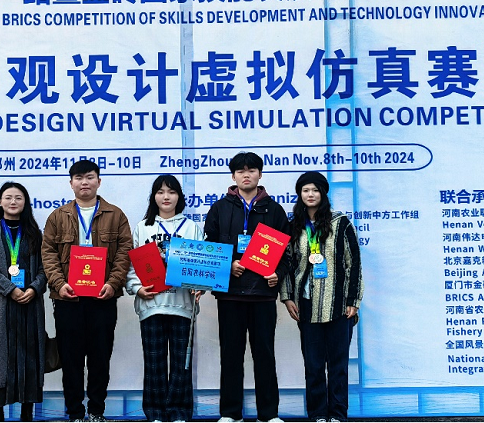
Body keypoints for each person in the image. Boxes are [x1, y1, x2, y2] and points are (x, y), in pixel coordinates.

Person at [41, 160, 132, 422]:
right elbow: (48, 254)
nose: (84, 182)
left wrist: (113, 283)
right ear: (71, 183)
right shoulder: (58, 216)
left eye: (90, 177)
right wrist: (60, 284)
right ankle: (75, 414)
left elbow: (124, 252)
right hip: (68, 299)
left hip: (103, 297)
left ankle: (96, 411)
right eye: (79, 178)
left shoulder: (116, 215)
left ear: (98, 181)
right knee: (70, 359)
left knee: (100, 358)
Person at [203, 152, 289, 423]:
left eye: (251, 170)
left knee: (265, 355)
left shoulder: (274, 210)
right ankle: (230, 413)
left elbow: (287, 252)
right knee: (231, 355)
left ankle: (269, 414)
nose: (246, 175)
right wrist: (228, 265)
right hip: (230, 294)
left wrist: (277, 273)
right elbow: (209, 247)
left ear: (260, 174)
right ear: (233, 176)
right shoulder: (220, 208)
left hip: (263, 294)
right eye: (240, 171)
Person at [281, 172, 364, 422]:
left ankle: (337, 414)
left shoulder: (341, 223)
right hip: (306, 304)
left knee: (338, 365)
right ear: (300, 194)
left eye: (315, 190)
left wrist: (353, 301)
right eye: (305, 190)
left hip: (338, 305)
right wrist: (287, 297)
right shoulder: (294, 225)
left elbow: (353, 263)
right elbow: (286, 263)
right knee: (314, 365)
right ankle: (317, 414)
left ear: (323, 193)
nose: (310, 195)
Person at [126, 175, 205, 422]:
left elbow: (203, 265)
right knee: (154, 362)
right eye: (160, 192)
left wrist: (200, 287)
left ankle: (179, 412)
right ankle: (155, 413)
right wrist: (137, 289)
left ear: (179, 196)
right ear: (154, 197)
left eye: (171, 192)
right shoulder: (143, 227)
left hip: (183, 305)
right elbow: (131, 266)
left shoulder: (191, 227)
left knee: (182, 363)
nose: (166, 197)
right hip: (151, 305)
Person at [0, 182, 47, 422]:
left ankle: (27, 414)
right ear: (0, 202)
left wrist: (34, 288)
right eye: (8, 197)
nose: (13, 201)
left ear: (25, 203)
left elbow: (46, 268)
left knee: (30, 358)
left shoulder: (35, 233)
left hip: (30, 305)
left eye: (18, 197)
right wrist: (10, 289)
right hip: (0, 307)